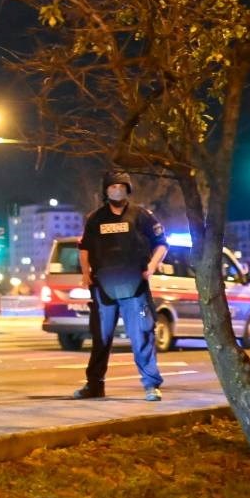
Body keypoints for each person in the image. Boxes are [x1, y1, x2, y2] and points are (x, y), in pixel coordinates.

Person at [73, 169, 169, 402]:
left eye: (121, 186)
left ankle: (151, 385)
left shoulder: (141, 216)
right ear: (106, 190)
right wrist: (86, 274)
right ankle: (94, 385)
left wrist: (153, 266)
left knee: (142, 335)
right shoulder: (95, 218)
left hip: (135, 287)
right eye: (112, 186)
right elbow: (84, 249)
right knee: (100, 338)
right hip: (103, 288)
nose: (117, 190)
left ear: (128, 189)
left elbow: (161, 244)